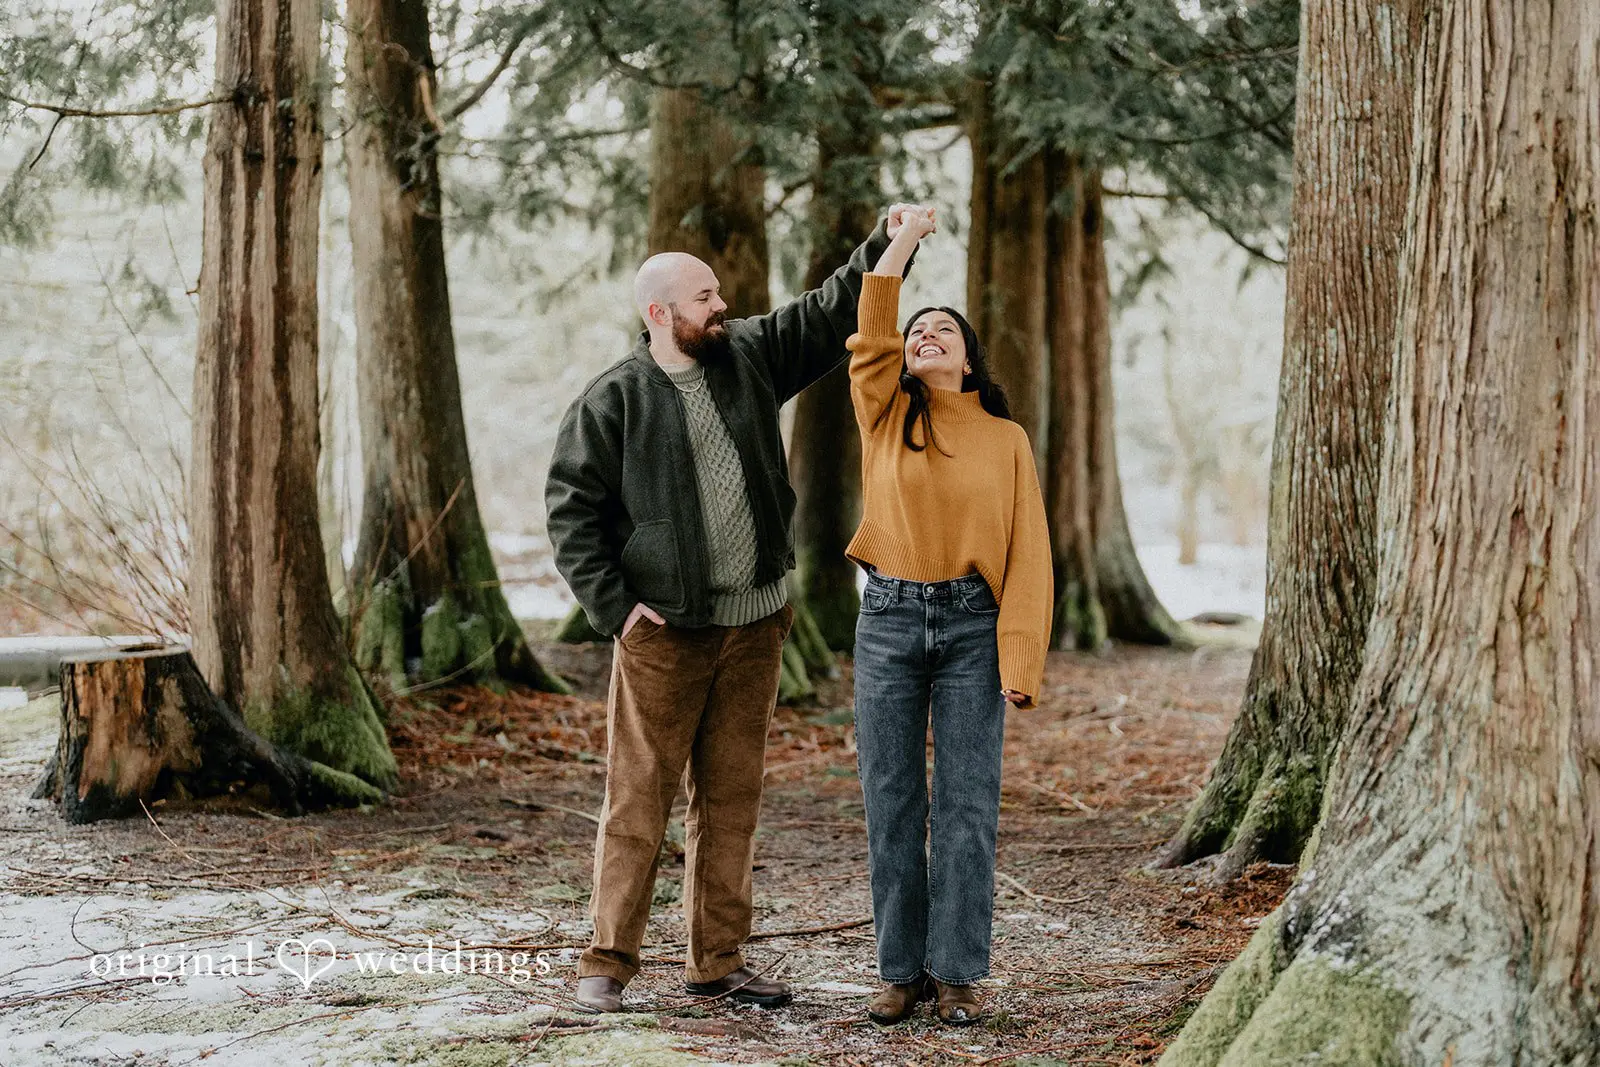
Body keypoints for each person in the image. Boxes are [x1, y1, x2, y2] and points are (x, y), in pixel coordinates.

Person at [545, 206, 928, 1015]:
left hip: (756, 629)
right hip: (665, 636)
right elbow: (570, 511)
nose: (721, 305)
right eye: (704, 296)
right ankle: (607, 960)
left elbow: (831, 310)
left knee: (732, 800)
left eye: (718, 293)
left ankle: (717, 960)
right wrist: (615, 607)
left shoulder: (747, 355)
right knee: (639, 797)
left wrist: (890, 240)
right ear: (660, 313)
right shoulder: (614, 399)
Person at [842, 207, 1053, 1026]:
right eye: (918, 328)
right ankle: (900, 971)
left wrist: (1019, 659)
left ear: (967, 357)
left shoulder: (1006, 439)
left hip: (972, 624)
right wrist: (906, 238)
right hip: (888, 619)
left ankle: (959, 970)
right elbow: (872, 324)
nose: (926, 334)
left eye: (943, 329)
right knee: (890, 799)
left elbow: (1029, 554)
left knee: (966, 806)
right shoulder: (886, 416)